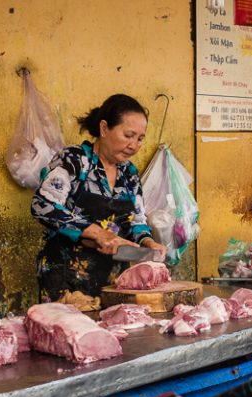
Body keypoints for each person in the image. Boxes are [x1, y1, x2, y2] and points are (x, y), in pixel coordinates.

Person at [31, 94, 167, 301]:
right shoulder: (74, 160)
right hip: (65, 277)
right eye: (128, 135)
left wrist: (149, 243)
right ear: (104, 129)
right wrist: (98, 234)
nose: (134, 145)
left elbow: (137, 223)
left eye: (140, 138)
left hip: (114, 281)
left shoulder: (129, 173)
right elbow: (43, 205)